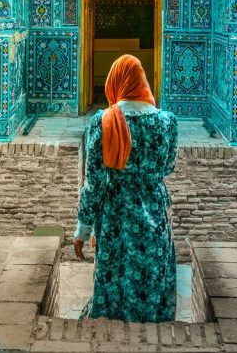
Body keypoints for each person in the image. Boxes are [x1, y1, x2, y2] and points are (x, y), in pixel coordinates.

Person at [73, 54, 179, 322]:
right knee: (151, 277)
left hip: (115, 216)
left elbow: (94, 184)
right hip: (155, 213)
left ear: (116, 82)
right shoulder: (167, 122)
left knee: (114, 284)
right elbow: (167, 167)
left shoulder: (103, 122)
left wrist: (84, 229)